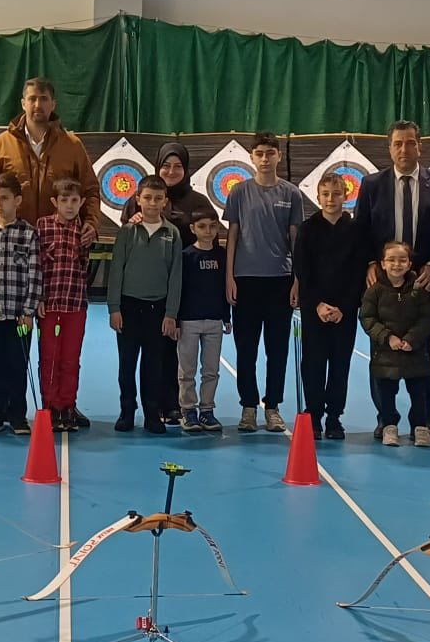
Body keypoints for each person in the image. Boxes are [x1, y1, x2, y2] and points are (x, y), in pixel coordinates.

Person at [224, 133, 306, 433]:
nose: (265, 158)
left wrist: (297, 280)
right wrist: (229, 277)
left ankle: (272, 406)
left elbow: (296, 240)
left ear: (278, 156)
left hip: (280, 282)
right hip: (245, 281)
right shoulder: (239, 192)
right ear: (251, 156)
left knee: (277, 349)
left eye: (270, 153)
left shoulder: (292, 194)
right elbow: (232, 236)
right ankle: (248, 406)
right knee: (246, 349)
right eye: (259, 153)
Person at [295, 172, 368, 440]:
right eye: (325, 194)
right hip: (314, 309)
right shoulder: (307, 229)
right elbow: (303, 269)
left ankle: (334, 417)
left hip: (344, 310)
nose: (330, 199)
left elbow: (358, 272)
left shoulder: (357, 230)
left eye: (336, 194)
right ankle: (313, 415)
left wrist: (344, 307)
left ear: (345, 196)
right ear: (317, 197)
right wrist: (317, 304)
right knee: (313, 363)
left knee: (340, 364)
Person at [109, 176, 182, 434]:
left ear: (165, 202)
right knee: (127, 364)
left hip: (157, 310)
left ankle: (152, 414)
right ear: (138, 199)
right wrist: (114, 308)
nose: (152, 203)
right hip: (128, 308)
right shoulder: (127, 232)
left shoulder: (172, 234)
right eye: (147, 198)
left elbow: (176, 276)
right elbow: (116, 270)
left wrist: (171, 313)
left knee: (154, 366)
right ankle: (127, 410)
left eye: (157, 198)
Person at [0, 77, 100, 230]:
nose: (38, 105)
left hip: (59, 236)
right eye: (32, 99)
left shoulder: (72, 145)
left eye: (44, 99)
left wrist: (90, 222)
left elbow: (90, 190)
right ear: (23, 104)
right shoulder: (2, 143)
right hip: (14, 236)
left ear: (53, 104)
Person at [0, 172, 40, 436]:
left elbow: (35, 274)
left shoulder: (29, 234)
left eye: (4, 198)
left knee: (17, 364)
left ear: (18, 200)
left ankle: (17, 415)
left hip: (18, 315)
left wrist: (29, 311)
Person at [362, 241, 430, 447]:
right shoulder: (374, 291)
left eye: (402, 260)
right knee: (386, 392)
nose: (396, 265)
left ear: (409, 264)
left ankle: (420, 427)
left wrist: (412, 339)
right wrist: (388, 337)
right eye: (391, 260)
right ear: (382, 263)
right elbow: (368, 318)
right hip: (385, 353)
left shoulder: (419, 290)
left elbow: (426, 318)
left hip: (415, 352)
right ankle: (389, 425)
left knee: (419, 392)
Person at [354, 121, 430, 286]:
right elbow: (361, 229)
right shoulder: (371, 185)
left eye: (410, 143)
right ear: (390, 149)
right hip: (382, 275)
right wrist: (371, 262)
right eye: (398, 144)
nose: (404, 150)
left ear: (419, 147)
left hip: (424, 277)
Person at [36, 177, 92, 431]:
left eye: (74, 200)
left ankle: (67, 405)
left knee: (70, 358)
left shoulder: (86, 231)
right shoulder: (43, 226)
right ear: (54, 202)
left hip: (75, 304)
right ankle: (51, 406)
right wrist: (38, 298)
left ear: (81, 202)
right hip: (49, 305)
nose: (69, 206)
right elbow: (36, 265)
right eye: (64, 200)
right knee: (49, 358)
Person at [175, 206, 228, 433]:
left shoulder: (222, 255)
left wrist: (226, 316)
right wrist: (177, 319)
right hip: (189, 321)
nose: (208, 231)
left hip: (214, 320)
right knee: (187, 370)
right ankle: (188, 410)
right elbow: (178, 289)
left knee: (211, 370)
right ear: (192, 228)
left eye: (212, 226)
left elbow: (225, 288)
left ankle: (207, 410)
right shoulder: (186, 256)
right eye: (202, 226)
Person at [153, 142, 217, 231]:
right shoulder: (143, 198)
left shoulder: (199, 202)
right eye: (166, 166)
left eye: (178, 166)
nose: (171, 172)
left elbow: (211, 236)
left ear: (185, 169)